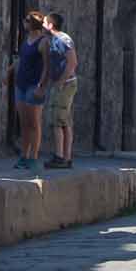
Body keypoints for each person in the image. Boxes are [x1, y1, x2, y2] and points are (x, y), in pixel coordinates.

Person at [7, 12, 50, 172]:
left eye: (26, 20)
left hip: (34, 85)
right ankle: (24, 156)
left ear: (32, 23)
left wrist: (42, 86)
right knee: (24, 123)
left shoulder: (43, 42)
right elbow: (21, 59)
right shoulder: (26, 40)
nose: (24, 22)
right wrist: (9, 71)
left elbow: (47, 65)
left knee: (34, 122)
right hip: (21, 84)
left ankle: (33, 156)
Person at [43, 11, 80, 169]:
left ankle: (60, 156)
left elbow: (72, 62)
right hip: (64, 83)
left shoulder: (61, 39)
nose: (43, 25)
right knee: (64, 121)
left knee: (57, 121)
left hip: (65, 84)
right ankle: (66, 156)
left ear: (51, 25)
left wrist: (60, 82)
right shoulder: (54, 40)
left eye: (45, 22)